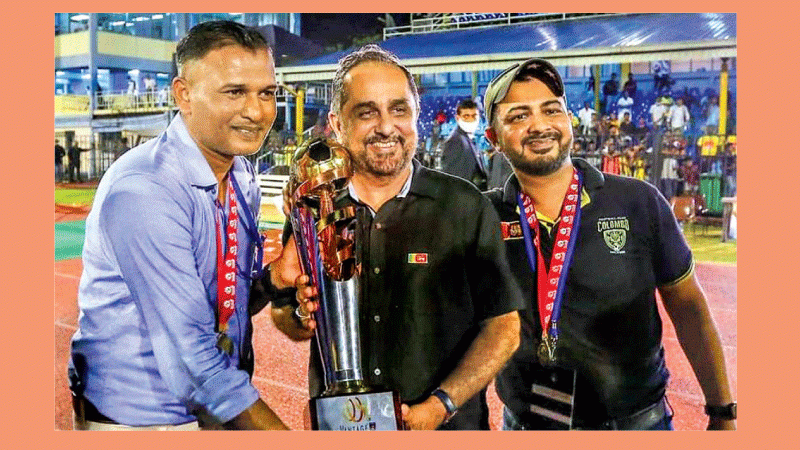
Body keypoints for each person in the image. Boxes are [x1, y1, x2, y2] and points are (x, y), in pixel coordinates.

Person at [270, 44, 523, 430]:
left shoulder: (464, 206)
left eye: (399, 109)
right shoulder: (314, 204)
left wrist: (440, 406)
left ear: (416, 117)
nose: (386, 127)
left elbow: (504, 329)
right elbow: (283, 312)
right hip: (343, 426)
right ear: (338, 124)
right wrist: (301, 316)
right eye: (367, 112)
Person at [481, 58, 736, 430]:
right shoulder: (483, 216)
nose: (539, 125)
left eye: (551, 110)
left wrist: (722, 410)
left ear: (568, 121)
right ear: (494, 138)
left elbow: (689, 308)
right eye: (518, 116)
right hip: (527, 425)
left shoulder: (638, 202)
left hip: (637, 425)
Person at [68, 20, 288, 430]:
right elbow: (193, 362)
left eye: (267, 93)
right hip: (139, 422)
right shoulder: (146, 191)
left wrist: (273, 280)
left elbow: (223, 301)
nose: (257, 112)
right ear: (184, 95)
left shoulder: (241, 174)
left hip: (212, 409)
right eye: (235, 92)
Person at [441, 98, 488, 190]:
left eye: (474, 116)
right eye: (466, 116)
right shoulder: (455, 142)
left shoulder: (469, 139)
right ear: (458, 118)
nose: (471, 120)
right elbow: (454, 181)